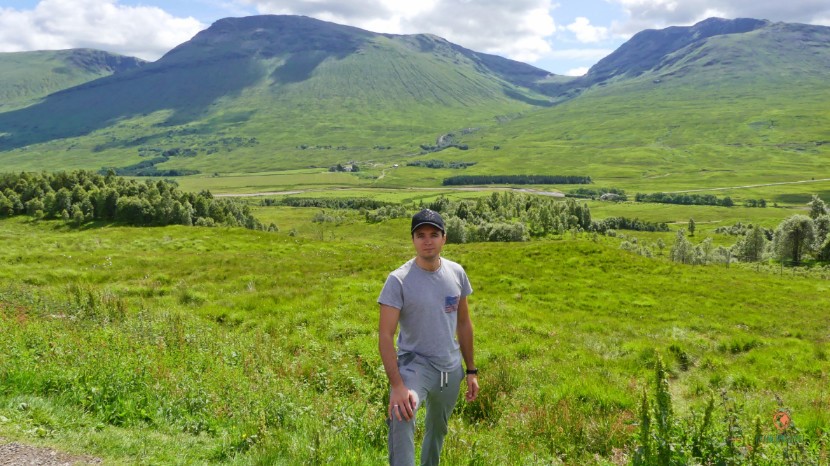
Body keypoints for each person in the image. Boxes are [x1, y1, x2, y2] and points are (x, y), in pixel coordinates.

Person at [378, 208, 479, 466]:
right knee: (402, 413)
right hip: (416, 366)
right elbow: (385, 336)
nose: (427, 240)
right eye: (420, 235)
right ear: (412, 240)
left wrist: (470, 371)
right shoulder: (398, 280)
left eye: (434, 234)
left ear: (444, 238)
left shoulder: (457, 273)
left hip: (448, 370)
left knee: (437, 429)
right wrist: (398, 387)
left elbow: (464, 323)